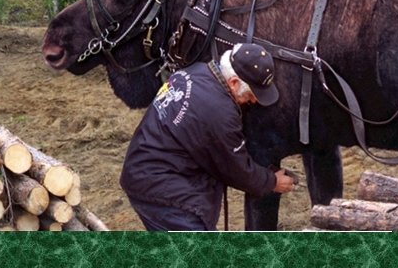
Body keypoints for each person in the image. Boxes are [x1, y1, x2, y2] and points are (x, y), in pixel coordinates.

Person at [120, 43, 296, 231]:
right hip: (162, 188)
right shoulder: (219, 112)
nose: (253, 101)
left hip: (145, 169)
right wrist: (272, 181)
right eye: (252, 94)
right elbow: (236, 169)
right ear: (234, 82)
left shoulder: (196, 71)